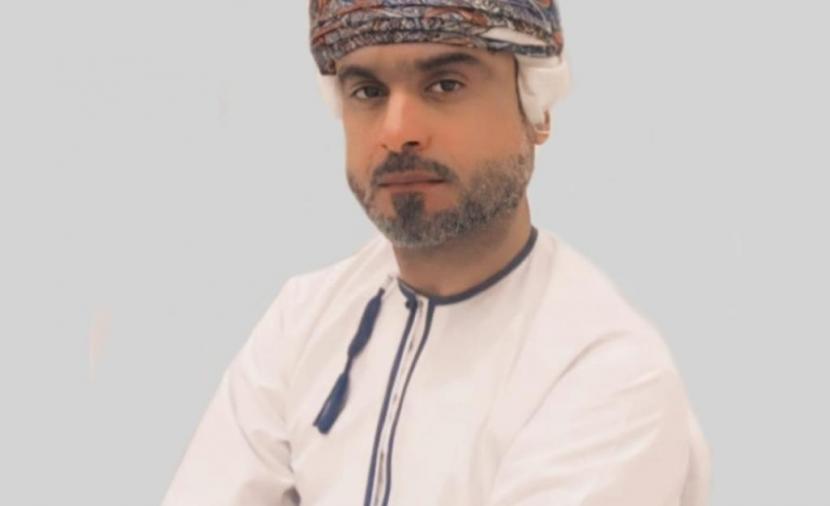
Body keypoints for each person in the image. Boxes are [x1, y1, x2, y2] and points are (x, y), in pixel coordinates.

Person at [162, 1, 711, 505]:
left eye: (445, 85)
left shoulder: (605, 369)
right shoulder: (302, 320)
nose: (397, 132)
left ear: (536, 109)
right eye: (368, 92)